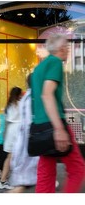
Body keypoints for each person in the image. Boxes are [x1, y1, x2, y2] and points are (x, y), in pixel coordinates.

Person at [31, 33, 85, 193]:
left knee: (46, 173)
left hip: (40, 127)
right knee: (77, 169)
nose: (68, 51)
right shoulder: (55, 62)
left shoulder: (39, 67)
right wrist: (59, 129)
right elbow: (47, 94)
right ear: (62, 48)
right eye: (68, 47)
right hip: (55, 124)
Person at [7, 74, 39, 193]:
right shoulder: (31, 98)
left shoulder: (27, 98)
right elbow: (30, 122)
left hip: (24, 145)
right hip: (29, 147)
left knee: (23, 186)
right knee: (22, 187)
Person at [0, 87, 22, 190]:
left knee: (9, 157)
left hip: (9, 133)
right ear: (18, 94)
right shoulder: (20, 104)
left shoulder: (8, 106)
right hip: (17, 133)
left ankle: (3, 181)